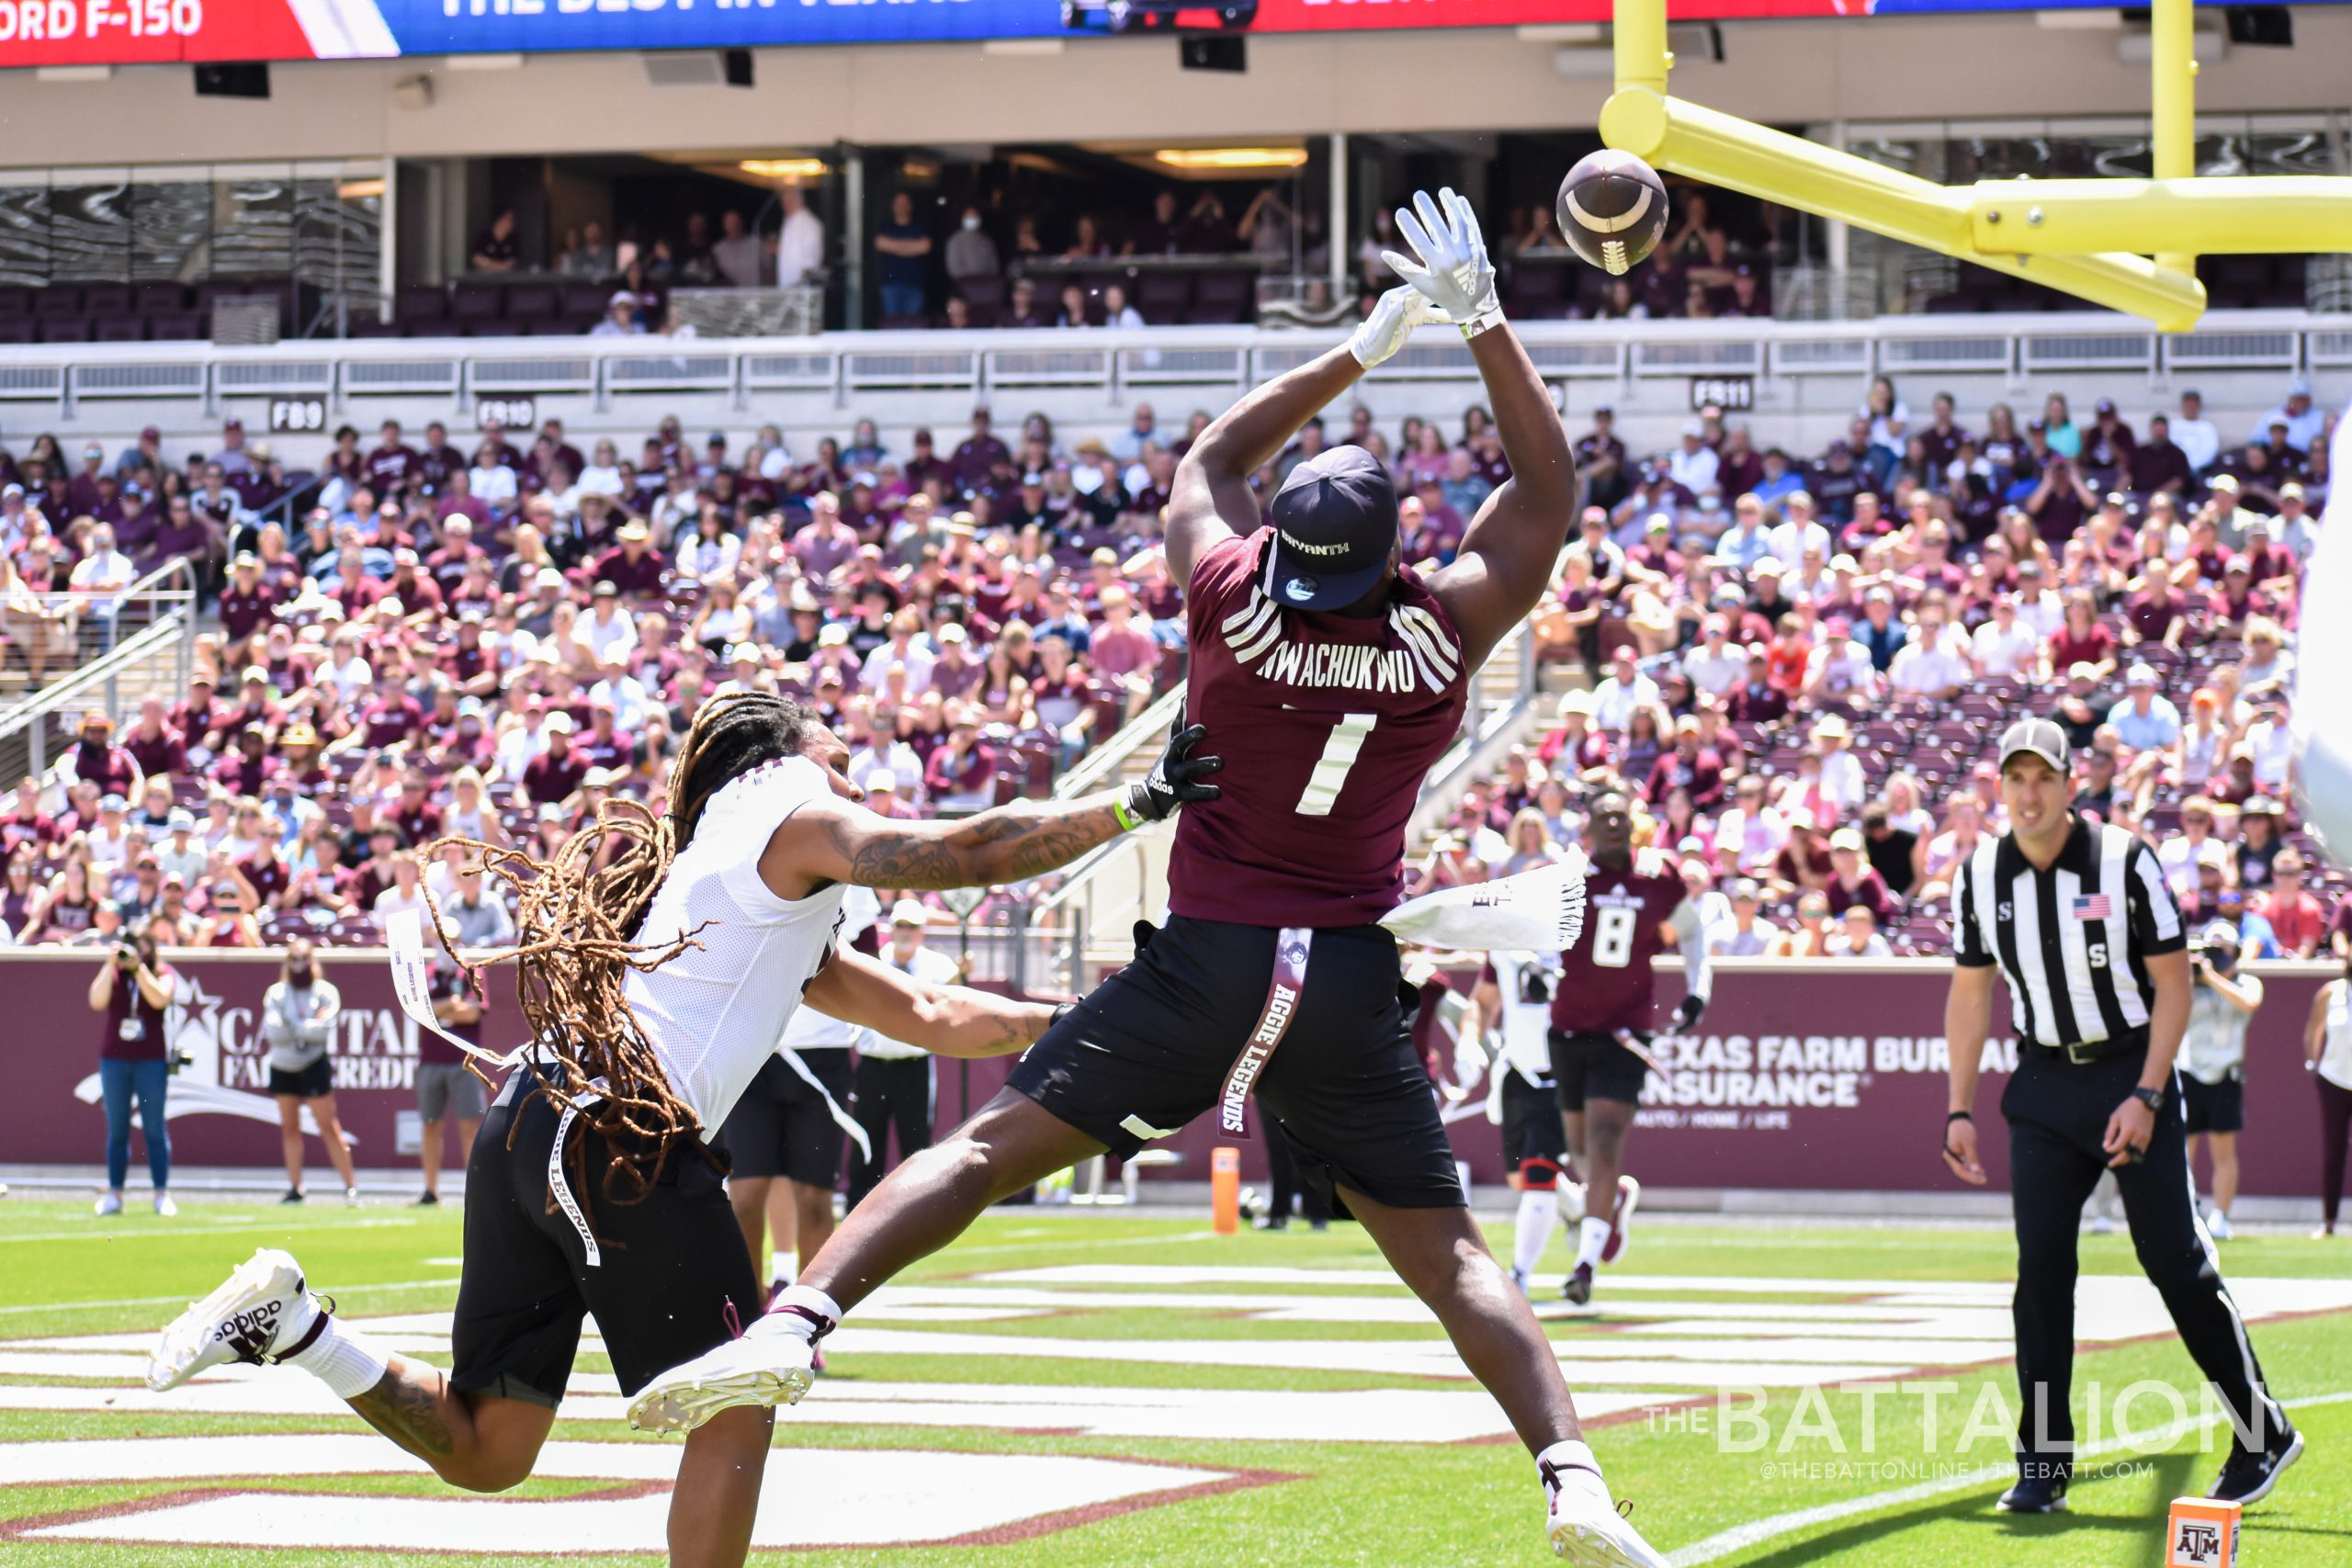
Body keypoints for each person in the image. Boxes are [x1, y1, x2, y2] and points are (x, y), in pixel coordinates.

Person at [629, 190, 1665, 1567]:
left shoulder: (1233, 599)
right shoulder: (1446, 634)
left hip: (1210, 953)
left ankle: (799, 1322)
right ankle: (1572, 1473)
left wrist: (1367, 344)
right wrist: (1483, 325)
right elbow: (1547, 497)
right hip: (1348, 970)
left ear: (1292, 553)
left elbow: (1218, 453)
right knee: (1453, 1255)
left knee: (981, 1151)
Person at [143, 691, 1219, 1568]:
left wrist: (1098, 1023)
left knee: (489, 1452)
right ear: (783, 751)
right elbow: (957, 854)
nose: (852, 770)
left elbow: (934, 1016)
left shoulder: (747, 881)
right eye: (838, 748)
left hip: (531, 1120)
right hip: (622, 1138)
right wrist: (1134, 804)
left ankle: (297, 1328)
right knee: (741, 1396)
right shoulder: (787, 801)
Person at [1941, 718, 2297, 1513]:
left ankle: (2261, 1430)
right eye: (2015, 779)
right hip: (2040, 1082)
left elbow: (2174, 982)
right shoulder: (1979, 875)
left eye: (2044, 778)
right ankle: (2043, 1460)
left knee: (2172, 1259)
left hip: (2128, 1069)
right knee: (2040, 1275)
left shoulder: (2123, 858)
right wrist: (1957, 1106)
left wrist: (2145, 1092)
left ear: (2072, 784)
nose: (2029, 794)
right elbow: (1970, 994)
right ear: (1999, 787)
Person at [1548, 792, 1708, 1307]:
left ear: (1632, 824)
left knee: (1605, 1141)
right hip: (1570, 1027)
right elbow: (1532, 932)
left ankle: (1585, 1266)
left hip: (1626, 1033)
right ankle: (1609, 1198)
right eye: (1604, 816)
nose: (1614, 823)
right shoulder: (1569, 876)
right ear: (1590, 827)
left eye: (1621, 815)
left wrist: (1698, 989)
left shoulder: (1659, 877)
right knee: (1578, 1153)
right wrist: (1534, 969)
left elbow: (1692, 933)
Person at [715, 886, 881, 1317]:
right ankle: (749, 1316)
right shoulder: (755, 859)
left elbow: (869, 956)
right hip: (755, 1051)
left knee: (814, 1198)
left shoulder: (851, 882)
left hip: (822, 1056)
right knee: (745, 1196)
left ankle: (807, 1321)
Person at [847, 899, 961, 1209]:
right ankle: (858, 1211)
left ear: (922, 931)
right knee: (867, 1145)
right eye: (900, 925)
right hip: (873, 1067)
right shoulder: (874, 959)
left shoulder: (937, 966)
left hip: (914, 1066)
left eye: (911, 927)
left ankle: (917, 1211)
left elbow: (958, 994)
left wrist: (963, 972)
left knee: (915, 1143)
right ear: (890, 928)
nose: (905, 932)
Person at [1475, 947, 1573, 1295]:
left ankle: (1520, 1275)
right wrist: (1469, 1043)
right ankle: (1584, 1205)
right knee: (1521, 1179)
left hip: (1562, 1069)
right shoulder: (1505, 940)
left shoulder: (1575, 936)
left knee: (1538, 1177)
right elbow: (1484, 1002)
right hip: (1517, 1069)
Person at [2181, 921, 2263, 1240]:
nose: (2217, 954)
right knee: (2182, 1150)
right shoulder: (2192, 982)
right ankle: (2186, 1209)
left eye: (2223, 948)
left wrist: (2214, 976)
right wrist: (2191, 972)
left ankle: (2221, 1216)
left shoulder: (2248, 982)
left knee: (2223, 1151)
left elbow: (2248, 1003)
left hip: (2225, 1073)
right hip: (2190, 1071)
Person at [262, 938, 358, 1206]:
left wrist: (294, 1026)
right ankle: (296, 1187)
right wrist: (306, 1026)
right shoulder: (277, 992)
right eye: (294, 958)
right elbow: (274, 1032)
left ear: (313, 960)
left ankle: (350, 1186)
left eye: (304, 958)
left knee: (328, 1125)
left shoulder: (325, 990)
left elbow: (323, 1030)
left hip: (314, 1063)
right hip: (283, 1065)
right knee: (290, 1127)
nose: (299, 964)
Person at [90, 922, 175, 1217]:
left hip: (150, 1060)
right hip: (115, 1059)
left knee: (154, 1127)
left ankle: (161, 1193)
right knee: (117, 1129)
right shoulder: (114, 976)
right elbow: (96, 1000)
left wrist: (140, 969)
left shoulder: (162, 973)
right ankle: (115, 1192)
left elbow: (159, 998)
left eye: (141, 945)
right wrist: (109, 963)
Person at [418, 928, 492, 1208]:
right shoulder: (427, 972)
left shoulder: (472, 971)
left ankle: (474, 1190)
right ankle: (430, 1189)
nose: (445, 945)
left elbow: (474, 1011)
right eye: (440, 939)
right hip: (431, 1060)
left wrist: (440, 1010)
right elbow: (421, 1012)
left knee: (469, 1126)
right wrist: (452, 1004)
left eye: (450, 939)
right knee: (429, 1124)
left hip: (464, 1060)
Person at [2306, 962, 2352, 1239]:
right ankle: (2329, 1221)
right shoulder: (2330, 993)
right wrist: (2312, 1064)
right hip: (2334, 1079)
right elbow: (2313, 1030)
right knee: (2334, 1151)